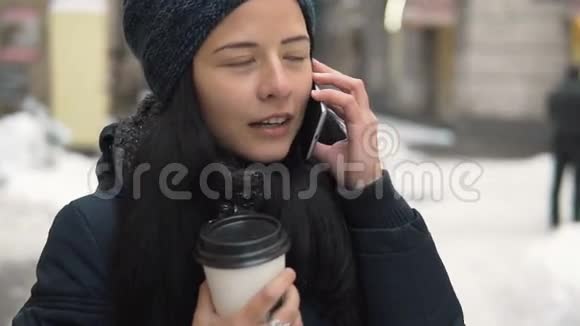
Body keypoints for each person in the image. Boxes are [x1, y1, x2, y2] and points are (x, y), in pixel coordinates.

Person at [13, 0, 464, 325]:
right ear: (182, 83)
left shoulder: (346, 203)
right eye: (241, 61)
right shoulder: (98, 233)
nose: (278, 84)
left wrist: (369, 196)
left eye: (294, 55)